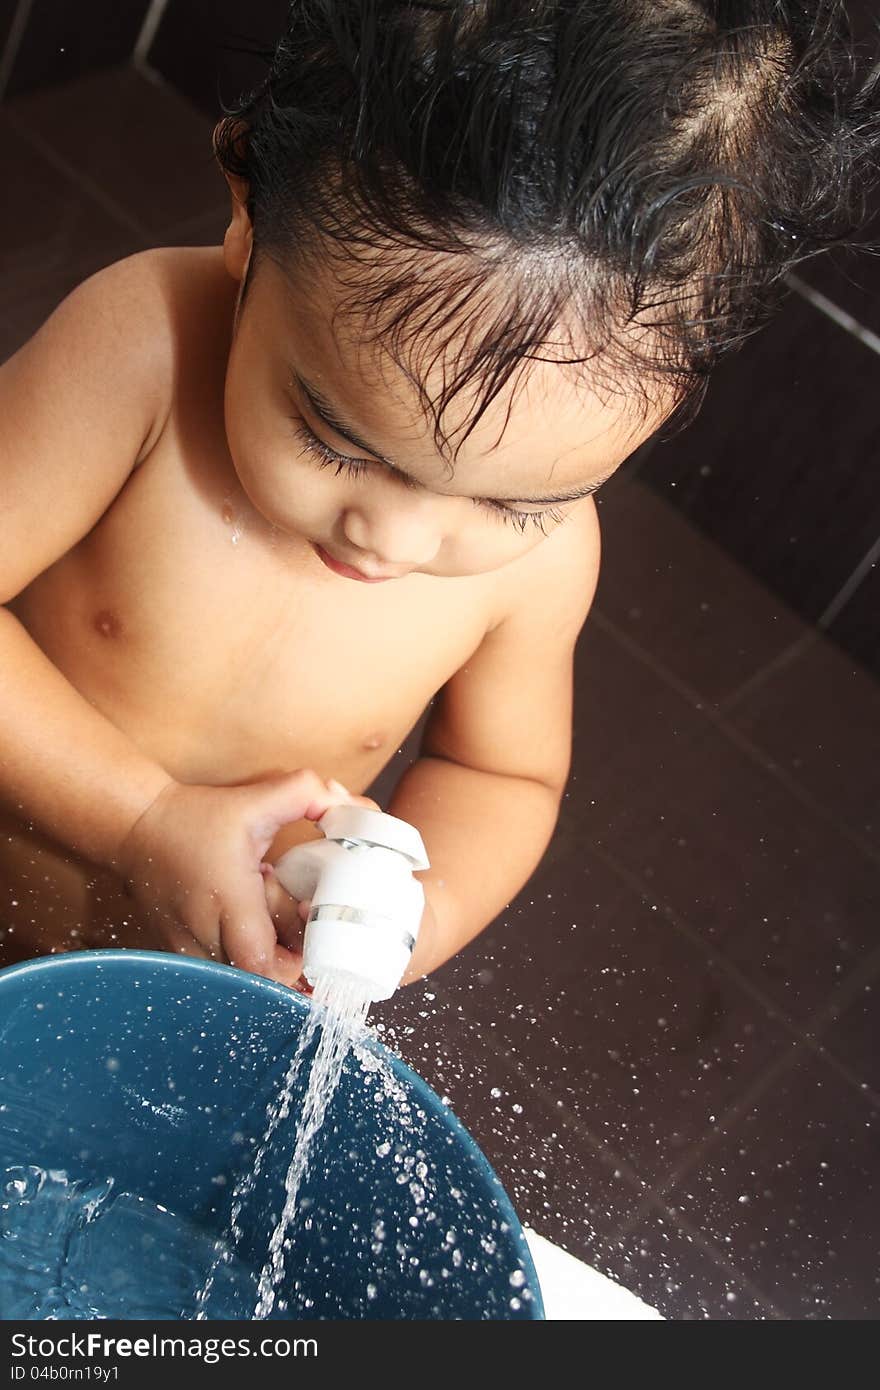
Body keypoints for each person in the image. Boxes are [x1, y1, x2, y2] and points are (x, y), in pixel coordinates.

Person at [0, 1, 875, 991]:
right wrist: (140, 820)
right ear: (248, 209)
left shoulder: (547, 566)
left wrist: (407, 924)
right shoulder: (144, 350)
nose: (395, 539)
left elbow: (499, 776)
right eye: (335, 439)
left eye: (511, 504)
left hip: (181, 979)